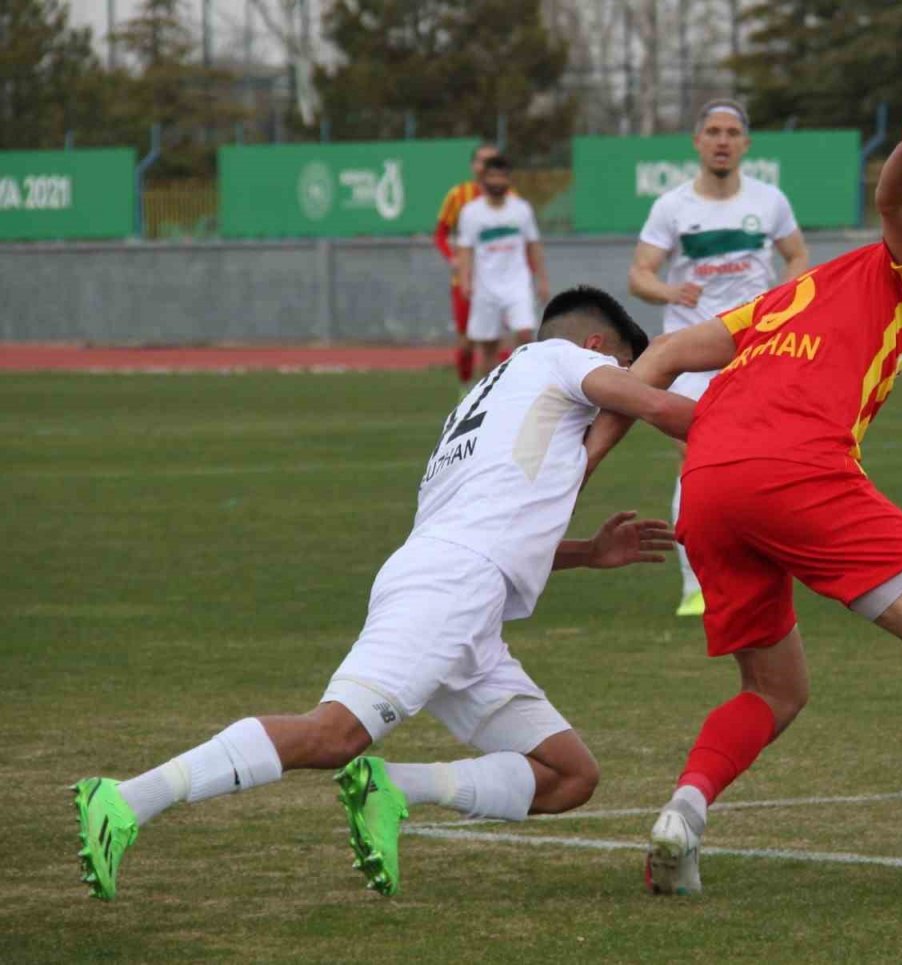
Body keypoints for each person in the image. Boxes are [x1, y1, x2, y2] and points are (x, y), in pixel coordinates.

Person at [72, 287, 697, 901]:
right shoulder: (564, 359)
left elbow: (499, 525)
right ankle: (126, 799)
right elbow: (653, 404)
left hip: (458, 594)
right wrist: (759, 425)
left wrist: (588, 553)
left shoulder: (492, 399)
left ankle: (391, 788)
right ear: (594, 345)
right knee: (334, 734)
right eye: (617, 361)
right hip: (449, 588)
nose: (612, 380)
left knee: (569, 775)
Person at [587, 99, 902, 896]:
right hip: (796, 470)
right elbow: (897, 204)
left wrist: (583, 460)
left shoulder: (792, 295)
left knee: (775, 689)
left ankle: (682, 815)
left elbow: (662, 352)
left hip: (707, 479)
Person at [628, 97, 809, 619]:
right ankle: (696, 585)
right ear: (697, 141)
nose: (723, 140)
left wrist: (785, 297)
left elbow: (796, 255)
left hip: (756, 355)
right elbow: (639, 272)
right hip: (688, 359)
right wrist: (667, 292)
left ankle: (763, 573)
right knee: (699, 463)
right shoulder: (672, 207)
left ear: (746, 143)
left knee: (766, 461)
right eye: (713, 131)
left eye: (732, 132)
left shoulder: (770, 201)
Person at [456, 155, 550, 380]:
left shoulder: (521, 209)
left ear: (508, 180)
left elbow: (533, 245)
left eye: (501, 176)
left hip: (517, 284)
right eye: (492, 176)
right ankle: (486, 397)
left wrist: (543, 280)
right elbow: (465, 249)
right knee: (488, 345)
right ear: (483, 179)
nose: (497, 181)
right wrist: (465, 280)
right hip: (485, 287)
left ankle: (524, 385)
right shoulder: (471, 212)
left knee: (526, 334)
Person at [435, 143, 500, 394]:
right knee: (466, 343)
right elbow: (440, 234)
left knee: (498, 342)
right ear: (474, 166)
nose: (487, 167)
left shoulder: (511, 198)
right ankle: (465, 390)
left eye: (493, 161)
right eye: (483, 161)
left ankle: (492, 392)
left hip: (498, 282)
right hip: (466, 282)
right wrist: (453, 258)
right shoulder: (458, 195)